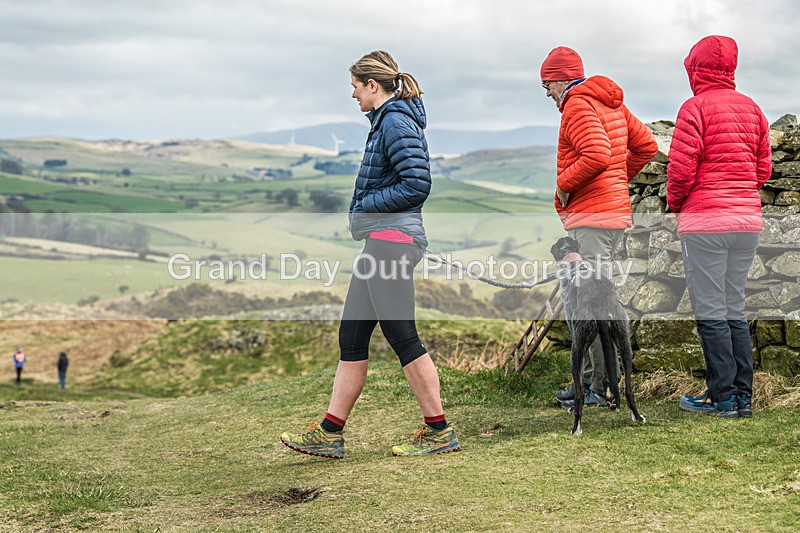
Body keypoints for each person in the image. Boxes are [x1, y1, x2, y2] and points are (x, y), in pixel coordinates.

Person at [280, 50, 459, 458]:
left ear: (372, 86)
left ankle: (439, 431)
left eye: (355, 87)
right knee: (352, 336)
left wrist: (367, 206)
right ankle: (330, 432)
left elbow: (418, 184)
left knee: (402, 336)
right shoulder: (386, 121)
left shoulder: (395, 121)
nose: (354, 95)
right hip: (380, 242)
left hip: (393, 243)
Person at [539, 46, 658, 407]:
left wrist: (564, 184)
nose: (547, 93)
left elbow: (596, 155)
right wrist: (617, 183)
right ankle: (603, 385)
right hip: (612, 216)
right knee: (599, 299)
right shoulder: (609, 101)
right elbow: (646, 146)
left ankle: (593, 388)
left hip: (590, 220)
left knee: (586, 303)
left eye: (547, 84)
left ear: (561, 79)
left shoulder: (577, 103)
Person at [668, 36, 771, 418]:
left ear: (695, 68)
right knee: (733, 308)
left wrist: (678, 204)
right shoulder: (753, 109)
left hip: (706, 223)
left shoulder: (694, 108)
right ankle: (743, 397)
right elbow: (763, 170)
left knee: (711, 310)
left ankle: (721, 398)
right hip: (747, 222)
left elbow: (680, 172)